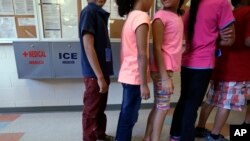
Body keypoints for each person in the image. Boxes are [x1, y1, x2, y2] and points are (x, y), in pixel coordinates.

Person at [169, 0, 235, 140]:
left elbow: (188, 35)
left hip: (187, 62)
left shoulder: (192, 6)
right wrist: (215, 38)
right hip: (203, 64)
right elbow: (229, 40)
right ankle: (186, 137)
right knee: (192, 104)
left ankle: (175, 135)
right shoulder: (221, 3)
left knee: (184, 100)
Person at [194, 0, 250, 140]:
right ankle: (215, 135)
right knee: (226, 102)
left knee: (212, 98)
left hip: (221, 63)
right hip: (238, 67)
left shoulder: (229, 13)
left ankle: (200, 128)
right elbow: (248, 40)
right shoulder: (249, 12)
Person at [143, 0, 184, 141]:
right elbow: (157, 47)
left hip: (167, 69)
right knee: (163, 108)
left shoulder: (178, 16)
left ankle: (148, 137)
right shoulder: (160, 16)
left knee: (158, 106)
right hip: (162, 70)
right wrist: (165, 77)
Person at [115, 0, 153, 141]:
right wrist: (144, 84)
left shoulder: (131, 16)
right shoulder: (141, 17)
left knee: (126, 113)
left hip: (127, 74)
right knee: (129, 116)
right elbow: (142, 54)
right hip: (135, 77)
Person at [79, 0, 114, 141]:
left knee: (99, 109)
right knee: (91, 112)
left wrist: (102, 76)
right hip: (95, 75)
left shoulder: (99, 13)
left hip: (101, 72)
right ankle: (89, 138)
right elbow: (88, 47)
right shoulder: (89, 12)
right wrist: (99, 77)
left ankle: (100, 135)